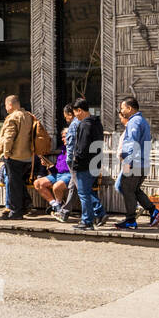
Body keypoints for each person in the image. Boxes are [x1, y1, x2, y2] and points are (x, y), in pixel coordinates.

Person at [116, 96, 158, 230]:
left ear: (129, 108)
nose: (121, 111)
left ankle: (130, 220)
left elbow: (131, 143)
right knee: (134, 189)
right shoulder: (143, 121)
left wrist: (127, 160)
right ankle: (153, 211)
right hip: (143, 162)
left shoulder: (134, 122)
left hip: (135, 162)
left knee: (126, 188)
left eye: (123, 108)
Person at [70, 99, 107, 231]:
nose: (76, 116)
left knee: (83, 193)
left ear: (79, 110)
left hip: (84, 164)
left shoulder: (85, 124)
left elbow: (83, 146)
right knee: (88, 190)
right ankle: (100, 213)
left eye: (75, 113)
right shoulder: (97, 122)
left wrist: (77, 160)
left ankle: (87, 221)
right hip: (95, 162)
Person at [0, 95, 34, 220]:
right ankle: (25, 204)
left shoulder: (12, 117)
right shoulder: (28, 115)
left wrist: (6, 153)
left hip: (15, 156)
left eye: (6, 106)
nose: (5, 108)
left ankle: (16, 211)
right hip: (27, 156)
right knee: (19, 183)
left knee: (14, 185)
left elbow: (9, 137)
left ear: (10, 105)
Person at [36, 110, 74, 221]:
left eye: (65, 136)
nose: (63, 139)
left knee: (57, 186)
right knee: (38, 183)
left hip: (69, 175)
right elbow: (56, 170)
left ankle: (58, 207)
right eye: (62, 137)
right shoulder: (62, 150)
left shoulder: (73, 149)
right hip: (58, 174)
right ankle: (56, 205)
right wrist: (49, 165)